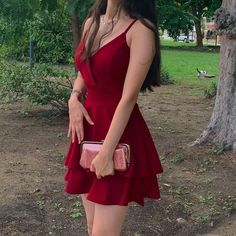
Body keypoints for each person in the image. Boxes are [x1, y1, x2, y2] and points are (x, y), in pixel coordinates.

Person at [64, 0, 163, 235]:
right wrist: (74, 98)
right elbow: (85, 70)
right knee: (91, 227)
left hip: (118, 134)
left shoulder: (140, 30)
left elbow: (128, 98)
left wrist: (107, 152)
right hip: (88, 130)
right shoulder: (91, 23)